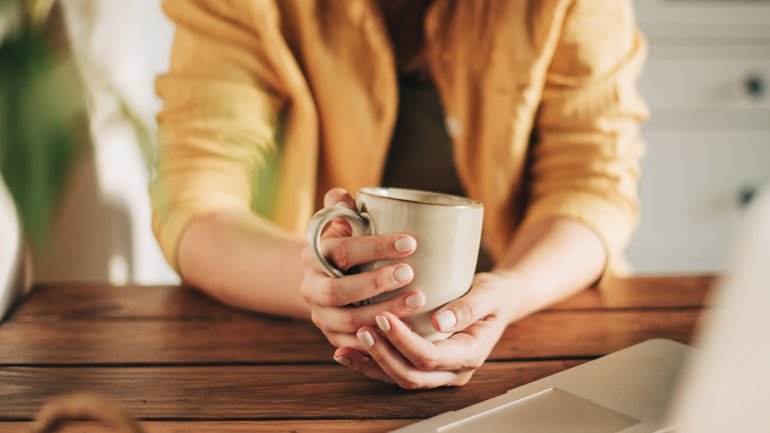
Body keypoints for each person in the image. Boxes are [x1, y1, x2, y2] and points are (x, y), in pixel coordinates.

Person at [151, 0, 648, 389]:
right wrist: (322, 285)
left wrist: (512, 292)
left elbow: (590, 183)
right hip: (296, 338)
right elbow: (196, 199)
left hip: (537, 311)